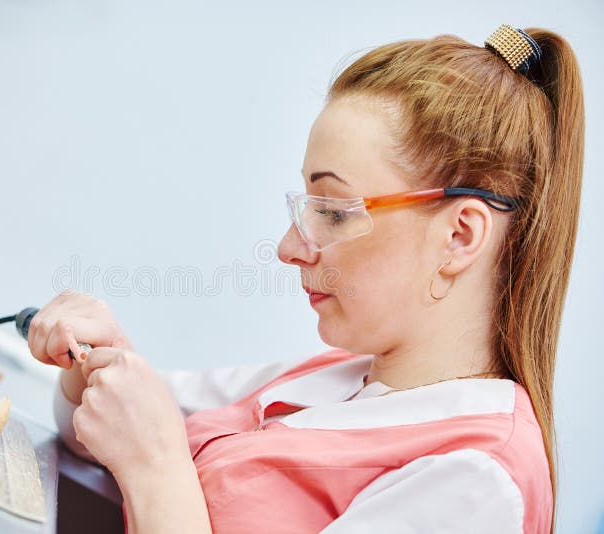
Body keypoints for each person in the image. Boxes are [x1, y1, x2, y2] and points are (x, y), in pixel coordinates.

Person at [29, 24, 584, 533]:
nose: (290, 248)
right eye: (307, 208)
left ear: (460, 235)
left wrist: (154, 470)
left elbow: (151, 454)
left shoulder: (479, 484)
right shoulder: (334, 378)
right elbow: (112, 432)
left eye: (335, 211)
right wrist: (101, 363)